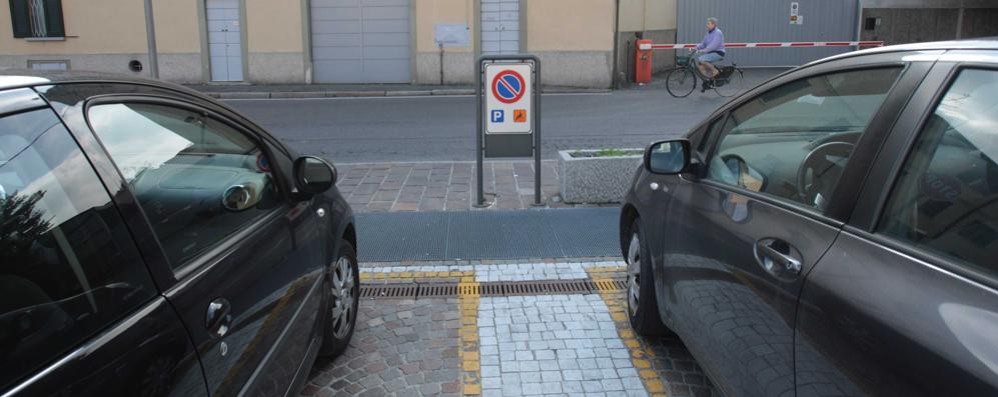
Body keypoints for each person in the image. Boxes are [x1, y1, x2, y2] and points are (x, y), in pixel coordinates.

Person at [694, 17, 725, 90]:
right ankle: (709, 80)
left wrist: (703, 50)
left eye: (708, 24)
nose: (707, 25)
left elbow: (714, 45)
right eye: (707, 23)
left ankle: (715, 71)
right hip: (711, 52)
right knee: (699, 64)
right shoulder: (708, 33)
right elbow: (703, 44)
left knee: (701, 59)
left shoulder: (718, 32)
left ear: (713, 24)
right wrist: (695, 48)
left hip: (718, 52)